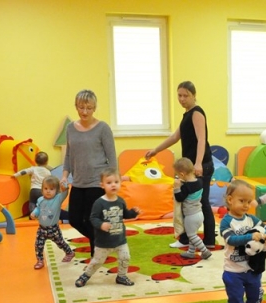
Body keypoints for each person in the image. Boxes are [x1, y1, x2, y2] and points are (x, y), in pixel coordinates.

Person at [145, 81, 216, 249]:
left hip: (200, 165)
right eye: (180, 95)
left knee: (202, 202)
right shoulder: (187, 115)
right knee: (184, 201)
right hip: (189, 167)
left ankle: (208, 240)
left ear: (194, 96)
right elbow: (174, 137)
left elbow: (202, 139)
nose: (182, 99)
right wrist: (156, 150)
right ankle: (186, 238)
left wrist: (198, 163)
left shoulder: (197, 113)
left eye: (186, 95)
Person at [60, 89, 117, 251]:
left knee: (92, 220)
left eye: (89, 108)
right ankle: (103, 241)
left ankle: (96, 254)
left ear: (94, 108)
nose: (84, 112)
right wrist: (64, 176)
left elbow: (112, 157)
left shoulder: (103, 128)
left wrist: (112, 183)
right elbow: (69, 155)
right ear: (76, 107)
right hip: (78, 181)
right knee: (75, 219)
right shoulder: (70, 128)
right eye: (81, 107)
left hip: (97, 182)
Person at [220, 180, 266, 303]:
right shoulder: (226, 222)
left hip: (252, 268)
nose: (246, 205)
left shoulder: (251, 219)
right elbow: (231, 240)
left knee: (254, 293)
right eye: (242, 201)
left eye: (249, 202)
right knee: (236, 297)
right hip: (233, 271)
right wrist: (250, 236)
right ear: (230, 200)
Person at [75, 169, 140, 288]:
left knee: (125, 258)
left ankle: (121, 276)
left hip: (120, 240)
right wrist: (101, 225)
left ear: (120, 183)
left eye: (116, 182)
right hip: (103, 242)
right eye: (109, 183)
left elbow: (125, 214)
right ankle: (85, 275)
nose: (113, 185)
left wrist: (133, 212)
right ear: (102, 185)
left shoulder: (120, 201)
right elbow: (93, 218)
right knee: (97, 262)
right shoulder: (99, 203)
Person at [29, 176, 75, 270]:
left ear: (56, 190)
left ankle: (69, 252)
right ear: (42, 189)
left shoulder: (58, 198)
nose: (48, 191)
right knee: (38, 245)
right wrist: (34, 213)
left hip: (53, 229)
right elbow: (38, 208)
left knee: (60, 243)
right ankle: (40, 260)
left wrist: (65, 187)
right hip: (42, 228)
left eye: (51, 189)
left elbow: (65, 193)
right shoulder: (40, 200)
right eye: (46, 188)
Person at [173, 157, 212, 260]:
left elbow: (179, 198)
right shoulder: (199, 181)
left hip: (191, 215)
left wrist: (177, 188)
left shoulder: (187, 187)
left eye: (177, 175)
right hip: (199, 213)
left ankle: (205, 251)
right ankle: (191, 252)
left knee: (191, 236)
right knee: (193, 234)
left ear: (182, 174)